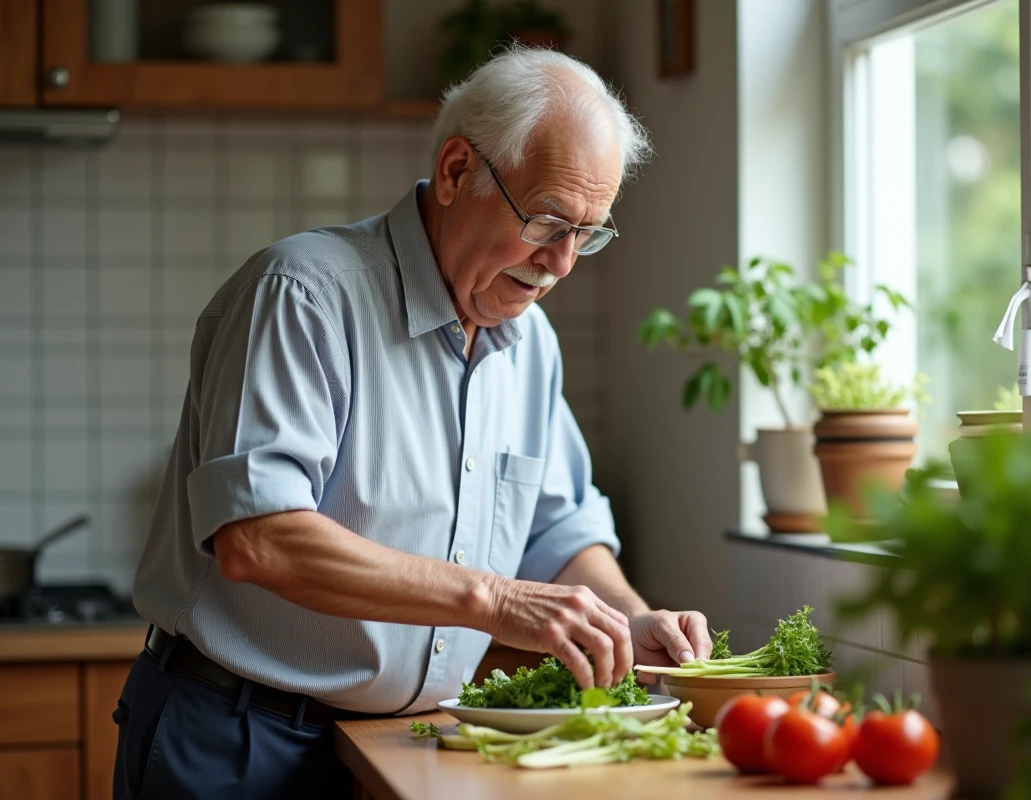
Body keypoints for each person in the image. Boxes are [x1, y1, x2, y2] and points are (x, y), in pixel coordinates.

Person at [113, 46, 713, 800]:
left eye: (587, 234)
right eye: (547, 221)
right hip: (235, 740)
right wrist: (496, 602)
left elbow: (558, 534)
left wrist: (628, 621)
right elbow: (258, 539)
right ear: (459, 170)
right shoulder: (304, 294)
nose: (562, 263)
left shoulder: (530, 343)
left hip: (400, 744)